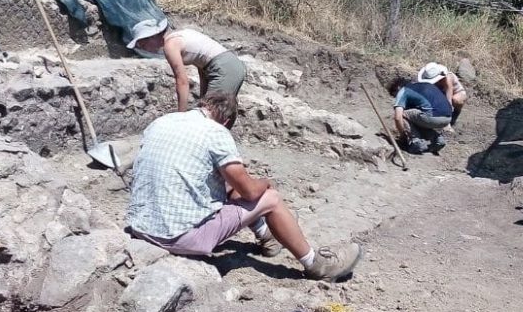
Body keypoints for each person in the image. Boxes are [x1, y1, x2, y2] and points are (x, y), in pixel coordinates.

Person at [126, 92, 363, 281]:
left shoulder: (163, 121)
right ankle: (316, 265)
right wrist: (266, 182)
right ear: (227, 121)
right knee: (270, 198)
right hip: (178, 237)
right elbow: (250, 190)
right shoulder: (216, 133)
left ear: (203, 105)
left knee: (228, 188)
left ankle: (268, 238)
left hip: (142, 225)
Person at [127, 18, 247, 112]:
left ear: (152, 36)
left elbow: (182, 81)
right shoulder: (179, 35)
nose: (141, 47)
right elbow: (202, 65)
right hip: (230, 65)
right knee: (216, 109)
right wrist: (203, 96)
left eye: (142, 43)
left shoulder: (170, 45)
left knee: (210, 114)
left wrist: (181, 116)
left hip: (224, 68)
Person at [387, 75, 453, 154]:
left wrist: (403, 136)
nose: (395, 97)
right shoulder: (425, 86)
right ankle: (436, 138)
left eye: (394, 94)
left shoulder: (403, 91)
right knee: (418, 118)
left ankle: (415, 142)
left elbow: (397, 117)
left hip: (431, 116)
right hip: (448, 117)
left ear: (398, 88)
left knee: (403, 115)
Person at [417, 62, 467, 131]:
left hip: (456, 93)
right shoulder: (430, 76)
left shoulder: (447, 79)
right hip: (441, 94)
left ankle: (456, 113)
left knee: (455, 100)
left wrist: (447, 123)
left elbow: (448, 101)